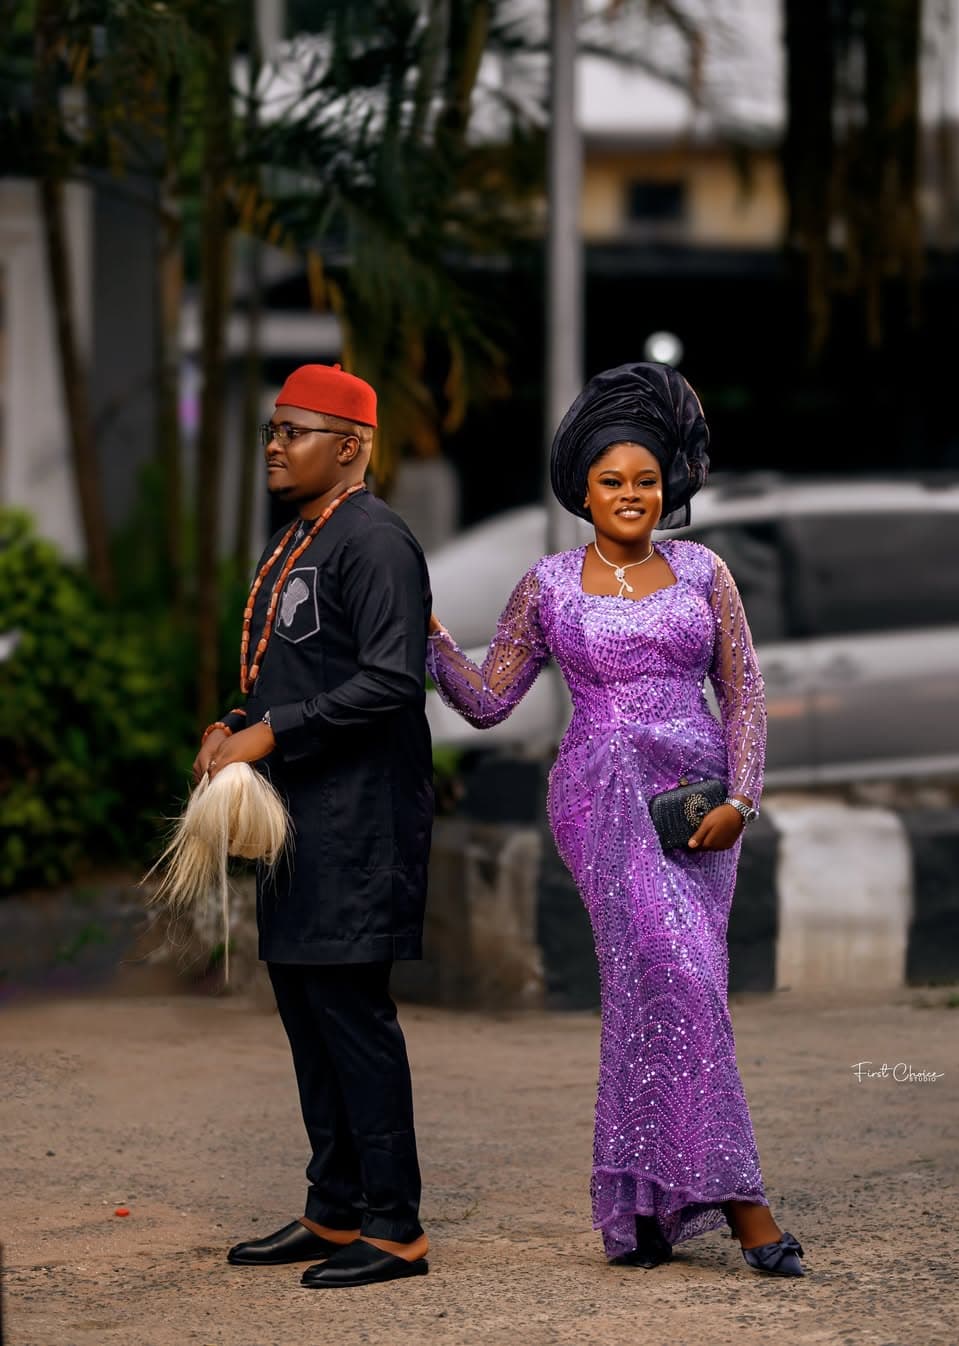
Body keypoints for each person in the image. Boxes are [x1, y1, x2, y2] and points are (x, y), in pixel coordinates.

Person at [426, 362, 805, 1275]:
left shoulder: (706, 570)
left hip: (698, 805)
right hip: (600, 801)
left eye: (644, 480)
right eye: (611, 481)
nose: (631, 495)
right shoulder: (548, 585)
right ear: (583, 492)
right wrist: (428, 632)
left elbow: (745, 692)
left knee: (667, 991)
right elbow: (485, 703)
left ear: (666, 485)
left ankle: (638, 1211)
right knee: (675, 973)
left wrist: (742, 800)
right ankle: (745, 1205)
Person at [192, 362, 434, 1290]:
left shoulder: (374, 541)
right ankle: (334, 1212)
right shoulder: (301, 536)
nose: (274, 446)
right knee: (305, 1014)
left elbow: (389, 681)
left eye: (294, 432)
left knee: (351, 1017)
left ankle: (397, 1227)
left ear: (350, 447)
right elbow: (287, 675)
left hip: (357, 822)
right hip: (295, 821)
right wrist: (233, 720)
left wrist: (272, 731)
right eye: (272, 430)